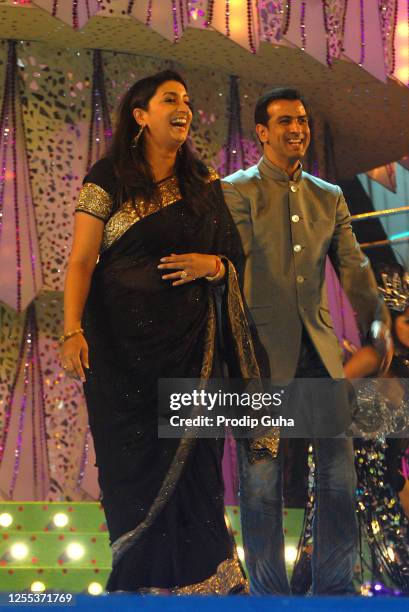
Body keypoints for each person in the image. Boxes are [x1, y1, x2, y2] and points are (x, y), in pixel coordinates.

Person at [61, 70, 267, 594]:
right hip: (120, 355)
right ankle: (140, 584)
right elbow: (83, 262)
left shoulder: (203, 184)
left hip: (191, 352)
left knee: (195, 461)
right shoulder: (106, 177)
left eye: (187, 100)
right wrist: (69, 331)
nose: (184, 108)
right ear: (141, 115)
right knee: (132, 468)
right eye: (170, 99)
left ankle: (207, 583)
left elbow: (234, 261)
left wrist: (213, 266)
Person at [221, 87, 390, 595]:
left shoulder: (329, 195)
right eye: (285, 121)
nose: (297, 129)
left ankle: (333, 590)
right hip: (260, 350)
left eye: (303, 121)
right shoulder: (236, 190)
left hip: (319, 351)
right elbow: (237, 268)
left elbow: (354, 266)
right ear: (263, 133)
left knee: (338, 478)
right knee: (261, 480)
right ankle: (269, 595)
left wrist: (377, 321)